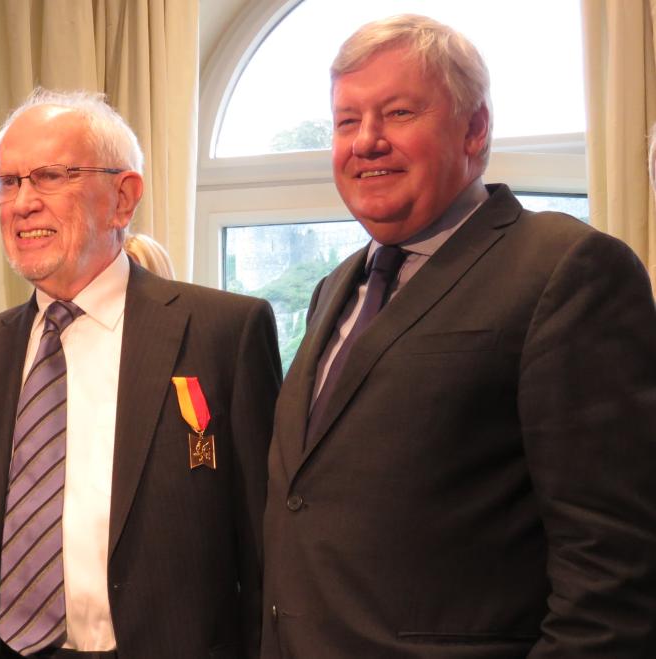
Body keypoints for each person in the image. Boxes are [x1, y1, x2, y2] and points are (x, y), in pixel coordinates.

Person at [262, 14, 656, 658]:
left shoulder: (567, 268)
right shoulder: (335, 288)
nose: (366, 142)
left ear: (474, 129)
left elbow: (613, 568)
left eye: (398, 113)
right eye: (346, 121)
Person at [0, 88, 283, 659]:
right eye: (8, 182)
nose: (22, 203)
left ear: (122, 199)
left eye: (50, 177)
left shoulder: (222, 333)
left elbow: (267, 557)